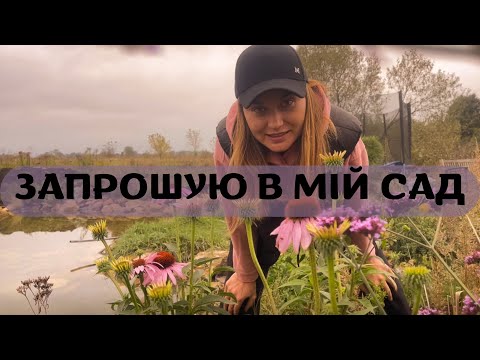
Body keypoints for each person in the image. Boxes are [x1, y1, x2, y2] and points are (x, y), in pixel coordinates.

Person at [213, 45, 410, 315]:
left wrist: (368, 258)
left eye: (287, 103)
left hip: (329, 208)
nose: (276, 123)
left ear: (306, 95)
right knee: (235, 303)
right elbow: (235, 213)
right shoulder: (229, 144)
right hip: (260, 216)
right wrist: (245, 274)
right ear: (242, 110)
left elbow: (356, 207)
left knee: (389, 291)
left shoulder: (342, 136)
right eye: (259, 109)